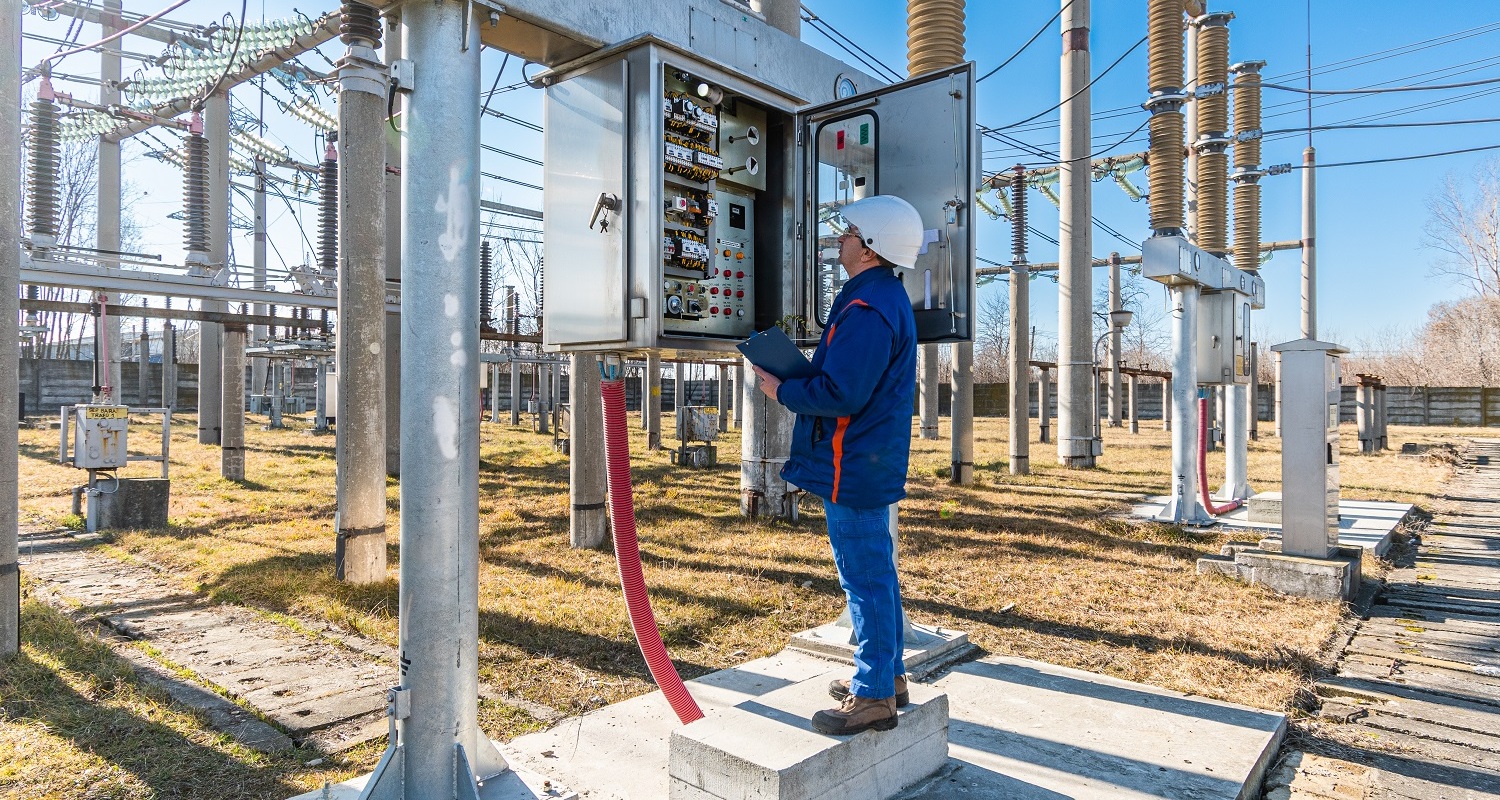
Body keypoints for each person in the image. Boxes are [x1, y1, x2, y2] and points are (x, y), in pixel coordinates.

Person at [753, 194, 922, 735]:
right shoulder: (876, 298)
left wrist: (784, 388)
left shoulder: (868, 308)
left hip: (852, 462)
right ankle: (887, 676)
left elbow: (842, 390)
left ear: (871, 248)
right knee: (877, 573)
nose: (842, 240)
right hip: (864, 457)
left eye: (850, 233)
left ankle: (872, 696)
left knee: (864, 578)